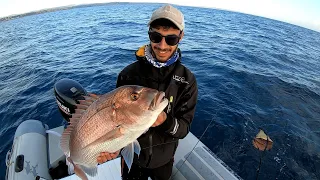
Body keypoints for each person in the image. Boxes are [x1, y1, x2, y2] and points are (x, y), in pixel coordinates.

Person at [97, 4, 198, 180]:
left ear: (181, 36)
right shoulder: (128, 75)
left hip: (164, 162)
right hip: (132, 160)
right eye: (156, 36)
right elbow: (113, 122)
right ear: (149, 34)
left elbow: (183, 129)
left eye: (171, 39)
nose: (162, 45)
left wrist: (165, 121)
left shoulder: (187, 81)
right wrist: (109, 148)